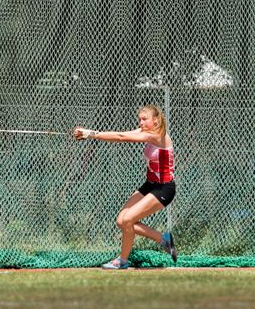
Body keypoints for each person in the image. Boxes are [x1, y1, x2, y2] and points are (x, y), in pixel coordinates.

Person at [73, 104, 177, 270]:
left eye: (145, 119)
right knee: (122, 221)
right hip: (150, 185)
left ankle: (122, 261)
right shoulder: (145, 132)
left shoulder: (158, 135)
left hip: (164, 188)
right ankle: (164, 239)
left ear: (156, 120)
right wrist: (89, 133)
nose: (141, 122)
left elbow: (121, 137)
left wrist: (89, 134)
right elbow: (121, 135)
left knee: (128, 220)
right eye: (140, 119)